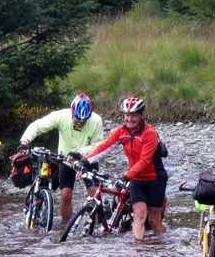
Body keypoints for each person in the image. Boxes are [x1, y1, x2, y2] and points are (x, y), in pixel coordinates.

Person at [77, 96, 168, 241]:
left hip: (155, 179)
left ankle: (163, 246)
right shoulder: (121, 132)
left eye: (133, 115)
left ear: (140, 115)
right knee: (139, 215)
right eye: (126, 115)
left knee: (154, 220)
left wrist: (125, 177)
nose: (129, 119)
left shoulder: (149, 133)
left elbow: (144, 161)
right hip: (136, 180)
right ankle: (139, 252)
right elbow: (104, 147)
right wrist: (85, 162)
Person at [18, 93, 103, 225]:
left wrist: (79, 153)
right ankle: (65, 226)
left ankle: (98, 227)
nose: (80, 123)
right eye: (77, 119)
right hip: (66, 161)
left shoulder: (96, 121)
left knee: (94, 193)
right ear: (72, 112)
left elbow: (98, 146)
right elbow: (38, 125)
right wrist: (25, 141)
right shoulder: (61, 116)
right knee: (65, 194)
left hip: (87, 160)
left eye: (84, 120)